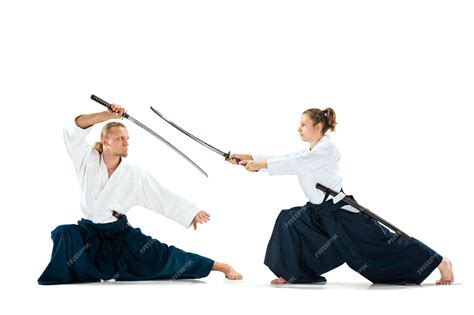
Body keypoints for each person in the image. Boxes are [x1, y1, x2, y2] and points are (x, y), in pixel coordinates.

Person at [228, 108, 454, 285]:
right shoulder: (309, 150)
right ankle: (293, 274)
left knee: (381, 244)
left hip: (341, 213)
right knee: (288, 222)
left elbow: (293, 164)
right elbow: (282, 157)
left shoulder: (327, 149)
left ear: (318, 126)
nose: (299, 129)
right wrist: (244, 157)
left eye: (304, 124)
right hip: (317, 213)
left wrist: (259, 165)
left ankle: (439, 261)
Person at [38, 103, 242, 285]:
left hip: (119, 234)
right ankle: (80, 272)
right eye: (120, 139)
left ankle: (220, 266)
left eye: (127, 139)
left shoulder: (133, 175)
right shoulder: (85, 159)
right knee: (65, 233)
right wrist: (105, 115)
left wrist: (191, 212)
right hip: (89, 233)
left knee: (164, 257)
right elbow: (72, 130)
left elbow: (161, 196)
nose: (126, 143)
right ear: (105, 140)